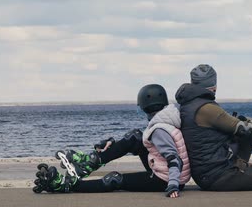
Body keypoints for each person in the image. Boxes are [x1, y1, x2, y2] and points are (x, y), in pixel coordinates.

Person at [33, 84, 190, 198]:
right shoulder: (165, 120)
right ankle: (92, 161)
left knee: (114, 179)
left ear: (143, 106)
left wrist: (173, 186)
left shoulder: (159, 130)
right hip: (166, 170)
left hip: (166, 179)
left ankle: (70, 185)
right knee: (135, 136)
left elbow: (173, 158)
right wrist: (113, 144)